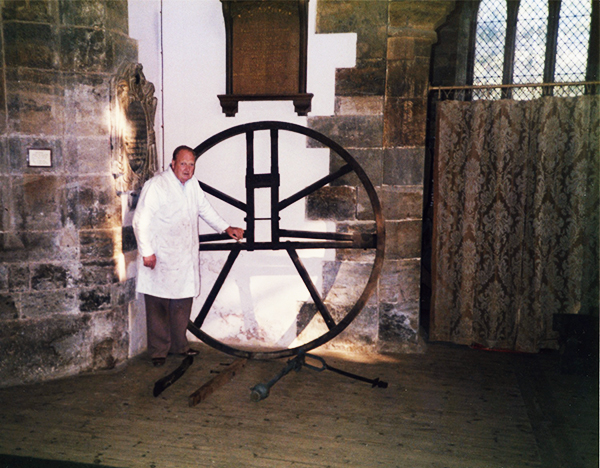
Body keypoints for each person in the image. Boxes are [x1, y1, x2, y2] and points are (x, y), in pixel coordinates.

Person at [133, 145, 244, 366]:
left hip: (184, 255)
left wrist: (225, 228)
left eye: (191, 164)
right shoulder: (157, 186)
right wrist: (147, 252)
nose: (187, 168)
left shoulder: (191, 185)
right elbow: (140, 220)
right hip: (160, 255)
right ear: (172, 163)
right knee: (158, 305)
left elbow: (204, 209)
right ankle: (158, 352)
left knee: (181, 305)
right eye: (183, 163)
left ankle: (179, 347)